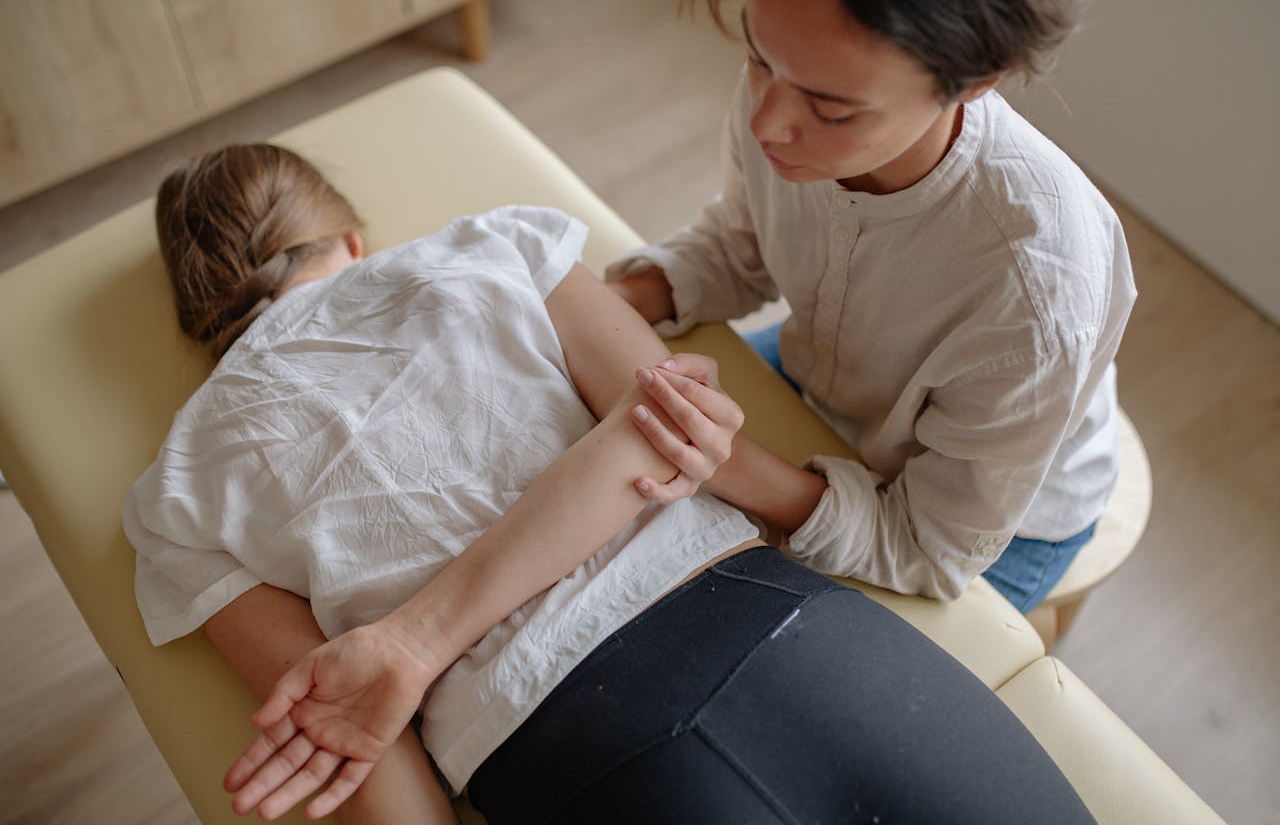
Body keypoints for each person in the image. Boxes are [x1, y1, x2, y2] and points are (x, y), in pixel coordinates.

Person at [124, 143, 1093, 824]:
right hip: (772, 622)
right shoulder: (494, 246)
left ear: (201, 317)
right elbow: (667, 430)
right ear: (350, 237)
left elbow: (347, 730)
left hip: (559, 751)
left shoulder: (172, 498)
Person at [607, 0, 1137, 612]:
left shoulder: (1036, 294)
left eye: (831, 110)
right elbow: (742, 244)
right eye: (757, 55)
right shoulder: (798, 73)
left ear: (973, 82)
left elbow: (927, 548)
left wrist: (727, 463)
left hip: (985, 527)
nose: (766, 121)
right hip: (834, 380)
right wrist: (617, 299)